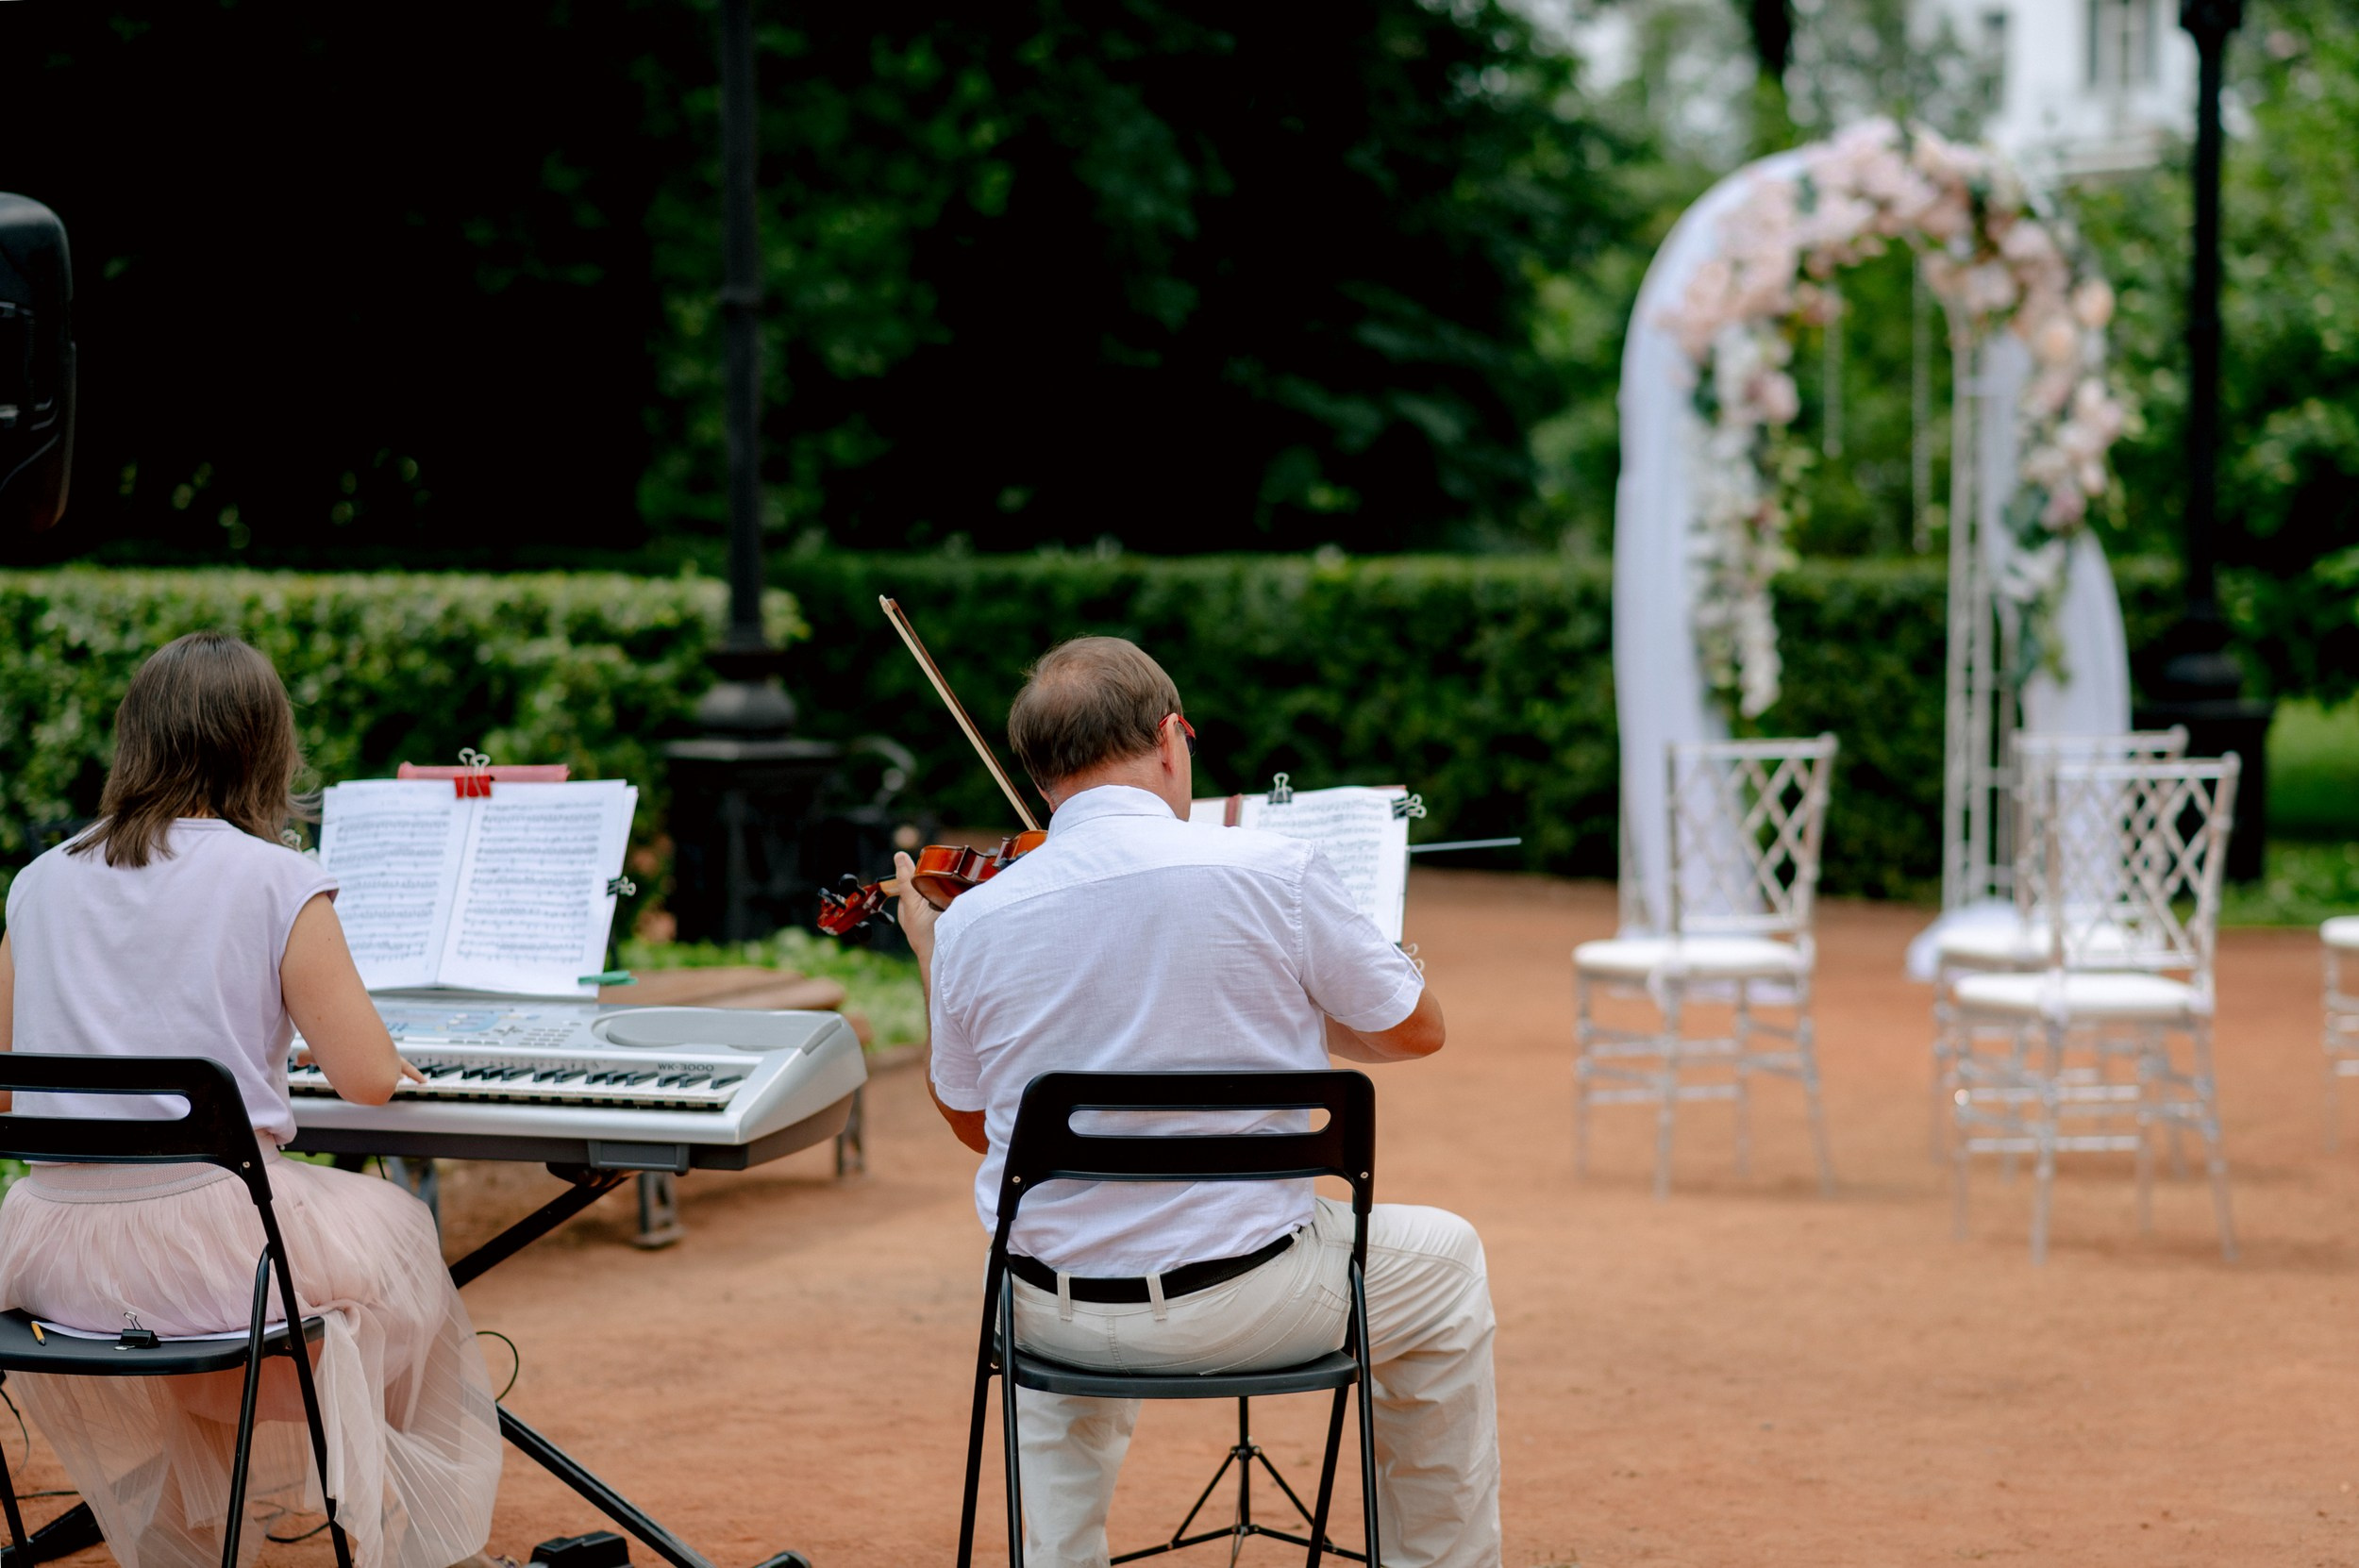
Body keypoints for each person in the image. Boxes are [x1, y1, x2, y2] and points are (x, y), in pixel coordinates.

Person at [899, 637, 1500, 1568]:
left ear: (1040, 776)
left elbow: (978, 1126)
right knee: (1447, 1259)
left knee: (1052, 1246)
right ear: (1172, 738)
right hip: (1249, 1298)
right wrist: (1317, 994)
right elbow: (1416, 1031)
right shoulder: (1273, 873)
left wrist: (935, 959)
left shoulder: (975, 918)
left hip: (1046, 1311)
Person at [0, 632, 504, 1568]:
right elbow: (365, 1078)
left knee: (272, 1282)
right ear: (261, 749)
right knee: (398, 1235)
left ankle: (199, 1530)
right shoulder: (277, 878)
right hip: (220, 1254)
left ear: (134, 741)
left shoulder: (36, 884)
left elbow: (7, 1079)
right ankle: (427, 1544)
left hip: (46, 1254)